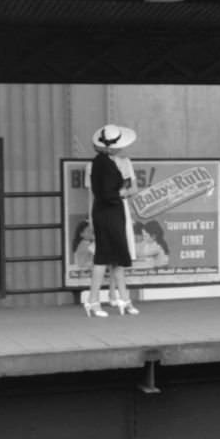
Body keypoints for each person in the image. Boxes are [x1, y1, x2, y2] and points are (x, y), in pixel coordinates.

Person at [85, 124, 139, 317]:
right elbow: (108, 193)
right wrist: (121, 193)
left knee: (115, 256)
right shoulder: (104, 164)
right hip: (110, 211)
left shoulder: (100, 162)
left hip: (109, 211)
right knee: (105, 257)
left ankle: (121, 298)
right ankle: (94, 300)